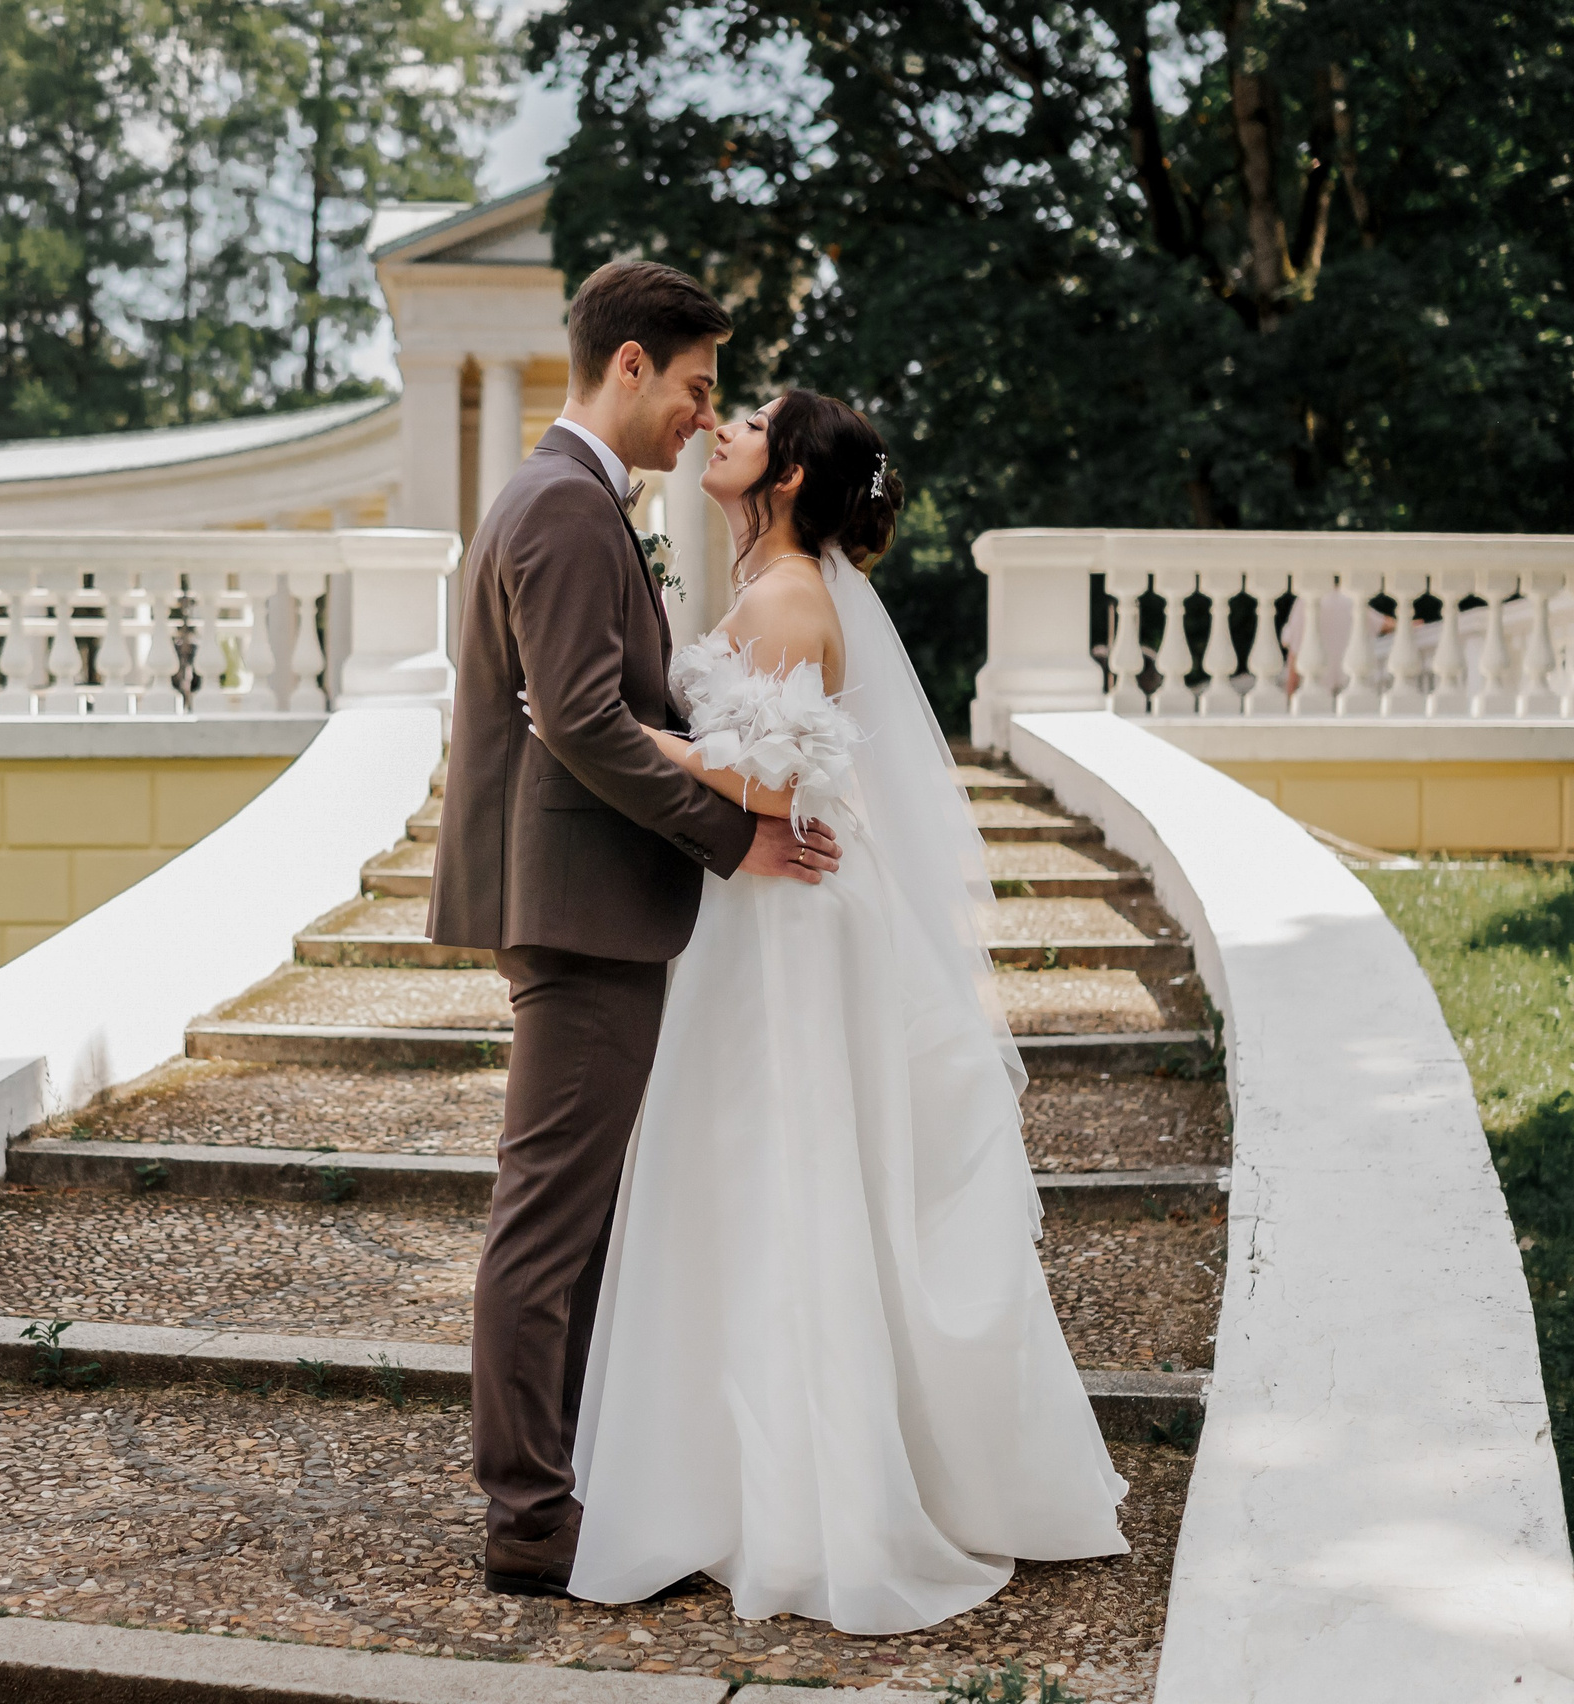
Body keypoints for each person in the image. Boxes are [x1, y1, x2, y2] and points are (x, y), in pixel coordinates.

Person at [562, 391, 1130, 1630]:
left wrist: (606, 738)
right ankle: (749, 1477)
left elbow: (764, 775)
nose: (725, 423)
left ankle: (805, 1496)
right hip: (765, 913)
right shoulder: (773, 583)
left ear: (791, 472)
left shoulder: (785, 598)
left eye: (753, 420)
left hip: (790, 930)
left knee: (782, 1175)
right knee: (760, 1174)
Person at [427, 260, 841, 1601]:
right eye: (696, 385)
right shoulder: (558, 505)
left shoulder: (583, 503)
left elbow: (622, 706)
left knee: (584, 1218)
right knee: (549, 1222)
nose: (700, 414)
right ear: (629, 367)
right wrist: (737, 836)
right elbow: (587, 721)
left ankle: (567, 1475)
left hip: (602, 907)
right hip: (579, 913)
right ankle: (528, 1518)